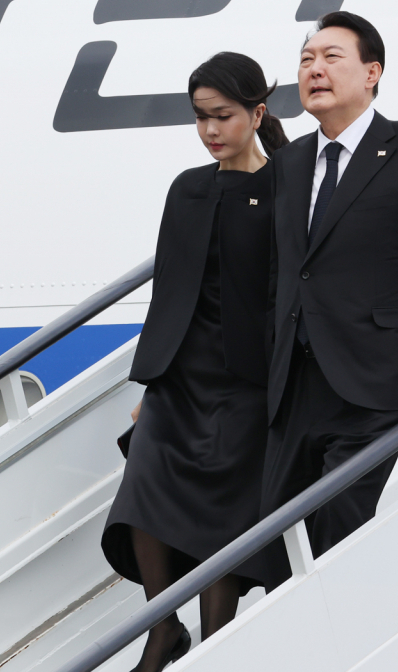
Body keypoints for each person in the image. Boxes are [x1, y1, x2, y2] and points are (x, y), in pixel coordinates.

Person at [260, 11, 398, 585]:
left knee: (342, 526)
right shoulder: (289, 164)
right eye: (306, 60)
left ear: (372, 72)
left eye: (331, 57)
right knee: (282, 538)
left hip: (380, 377)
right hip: (297, 382)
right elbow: (285, 271)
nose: (314, 69)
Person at [102, 52, 290, 672]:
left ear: (258, 113)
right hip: (182, 375)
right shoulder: (187, 188)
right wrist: (152, 378)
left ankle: (215, 646)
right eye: (200, 118)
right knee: (143, 490)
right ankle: (163, 629)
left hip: (250, 378)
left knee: (225, 519)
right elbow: (171, 290)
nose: (210, 130)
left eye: (223, 116)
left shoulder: (287, 184)